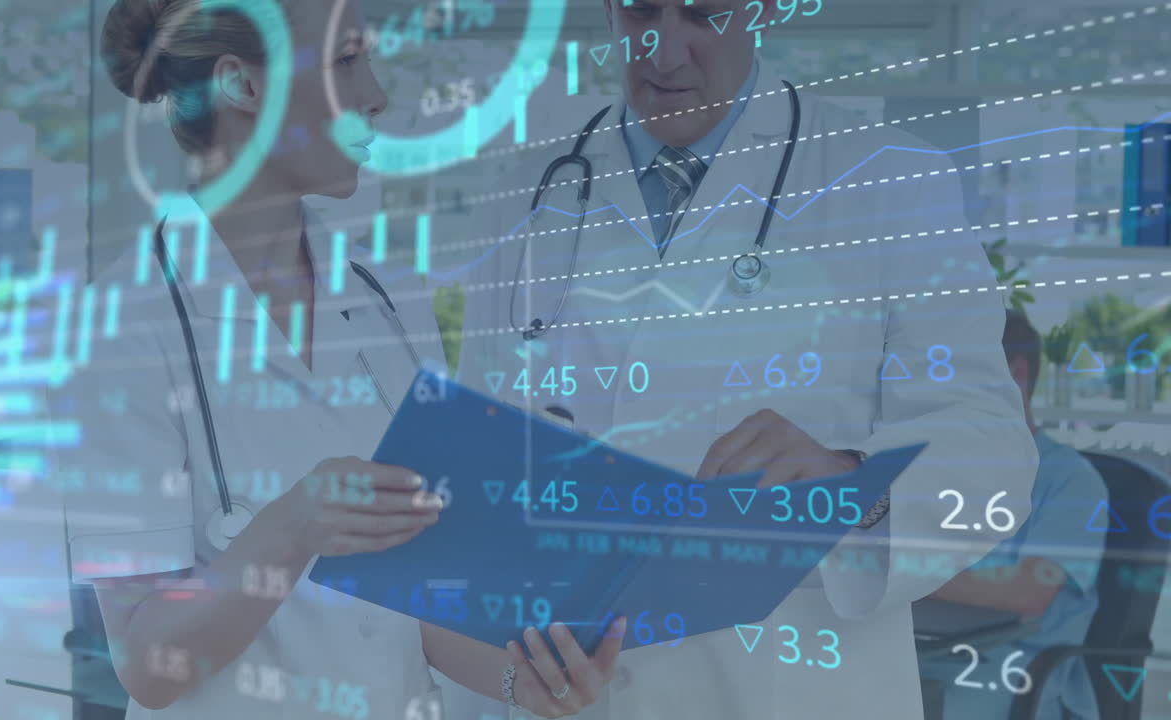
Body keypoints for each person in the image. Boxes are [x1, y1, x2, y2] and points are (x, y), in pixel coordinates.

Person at [455, 0, 1039, 717]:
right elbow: (475, 447)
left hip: (784, 685)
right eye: (641, 10)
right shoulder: (527, 185)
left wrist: (855, 481)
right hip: (558, 684)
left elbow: (992, 444)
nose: (665, 52)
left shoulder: (887, 177)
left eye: (704, 15)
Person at [56, 1, 623, 718]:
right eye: (345, 61)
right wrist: (295, 527)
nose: (375, 94)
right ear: (241, 86)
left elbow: (410, 602)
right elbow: (146, 665)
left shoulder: (391, 297)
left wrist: (525, 679)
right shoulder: (122, 331)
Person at [920, 310, 1107, 720]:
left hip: (1010, 670)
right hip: (925, 650)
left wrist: (902, 573)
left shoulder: (1072, 481)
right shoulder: (940, 472)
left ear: (1015, 372)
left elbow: (1028, 593)